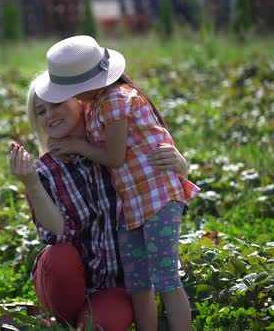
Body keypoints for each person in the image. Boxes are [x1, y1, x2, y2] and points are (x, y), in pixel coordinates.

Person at [31, 35, 200, 331]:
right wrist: (32, 181)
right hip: (126, 220)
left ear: (78, 96)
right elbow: (56, 232)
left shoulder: (113, 104)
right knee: (136, 283)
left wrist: (181, 166)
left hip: (152, 205)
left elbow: (121, 155)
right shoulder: (90, 119)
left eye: (59, 100)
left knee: (163, 280)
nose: (50, 114)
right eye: (41, 110)